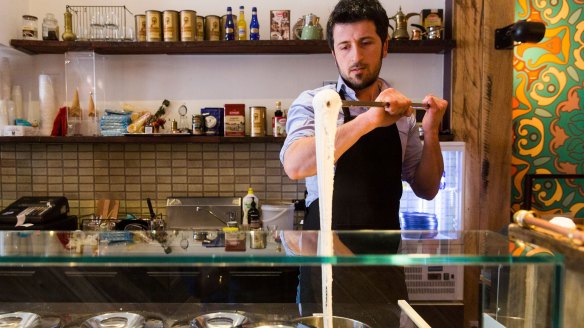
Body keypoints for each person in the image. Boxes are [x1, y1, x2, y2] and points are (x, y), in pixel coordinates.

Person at [279, 0, 447, 326]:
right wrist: (370, 120)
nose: (355, 57)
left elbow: (426, 188)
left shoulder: (403, 116)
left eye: (366, 43)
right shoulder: (313, 103)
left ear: (385, 46)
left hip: (382, 266)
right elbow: (296, 164)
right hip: (325, 267)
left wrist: (431, 131)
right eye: (344, 46)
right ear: (333, 53)